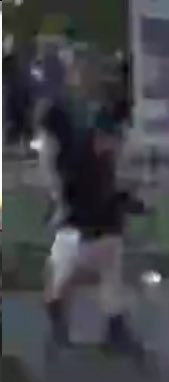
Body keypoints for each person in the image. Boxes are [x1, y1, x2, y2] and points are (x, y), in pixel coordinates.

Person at [42, 59, 143, 352]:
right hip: (75, 211)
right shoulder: (66, 130)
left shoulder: (104, 131)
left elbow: (115, 172)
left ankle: (115, 326)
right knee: (65, 272)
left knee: (110, 261)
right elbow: (52, 163)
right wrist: (57, 199)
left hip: (100, 211)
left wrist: (127, 196)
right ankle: (57, 312)